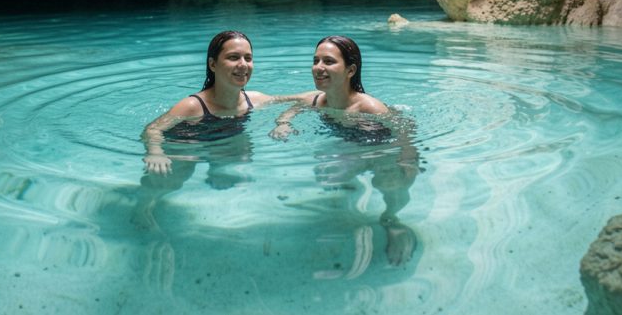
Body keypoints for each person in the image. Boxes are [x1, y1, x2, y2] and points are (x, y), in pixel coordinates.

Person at [270, 35, 421, 266]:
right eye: (316, 61)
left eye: (328, 61)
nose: (318, 67)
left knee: (390, 183)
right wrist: (283, 124)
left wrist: (407, 163)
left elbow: (405, 129)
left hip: (381, 149)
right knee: (327, 174)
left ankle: (392, 220)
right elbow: (294, 108)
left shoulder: (369, 107)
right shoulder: (319, 100)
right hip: (352, 145)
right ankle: (351, 198)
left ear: (350, 70)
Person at [134, 30, 271, 230]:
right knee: (177, 175)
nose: (243, 64)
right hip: (186, 143)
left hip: (219, 139)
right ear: (213, 64)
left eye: (248, 58)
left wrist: (285, 121)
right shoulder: (192, 106)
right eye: (233, 57)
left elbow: (296, 99)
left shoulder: (253, 99)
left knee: (243, 156)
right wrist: (156, 152)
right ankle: (141, 208)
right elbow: (152, 129)